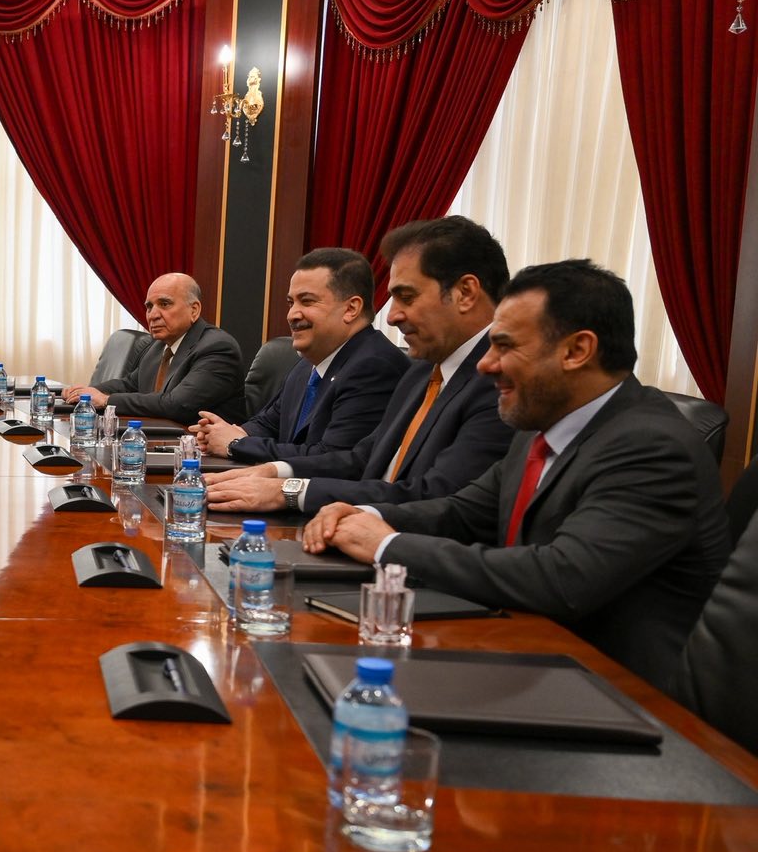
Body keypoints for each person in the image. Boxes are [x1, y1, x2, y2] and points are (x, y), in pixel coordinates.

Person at [302, 260, 728, 695]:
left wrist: (386, 545)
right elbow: (462, 512)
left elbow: (561, 579)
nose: (485, 365)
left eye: (504, 346)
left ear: (577, 351)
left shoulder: (652, 447)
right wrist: (363, 515)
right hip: (526, 657)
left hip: (613, 694)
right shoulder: (541, 426)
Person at [207, 217, 514, 514]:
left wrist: (289, 491)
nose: (391, 316)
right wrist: (274, 471)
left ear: (465, 293)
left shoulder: (503, 383)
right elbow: (360, 458)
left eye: (407, 297)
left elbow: (434, 498)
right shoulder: (423, 372)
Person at [191, 249, 407, 463]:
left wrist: (236, 444)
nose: (292, 314)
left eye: (307, 301)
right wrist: (223, 434)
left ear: (351, 308)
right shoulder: (307, 364)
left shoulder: (374, 366)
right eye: (291, 302)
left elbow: (332, 457)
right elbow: (267, 424)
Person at [63, 273, 249, 423]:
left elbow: (177, 405)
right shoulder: (158, 346)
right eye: (149, 307)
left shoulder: (217, 348)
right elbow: (129, 385)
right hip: (161, 439)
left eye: (164, 304)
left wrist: (106, 400)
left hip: (201, 450)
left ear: (194, 310)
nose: (153, 315)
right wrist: (85, 393)